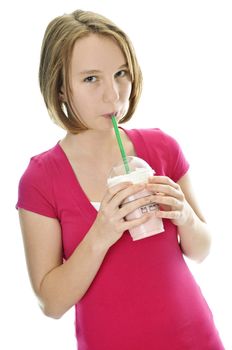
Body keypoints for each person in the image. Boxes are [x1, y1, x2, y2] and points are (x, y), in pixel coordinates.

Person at [16, 9, 224, 350]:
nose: (113, 95)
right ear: (60, 88)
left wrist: (184, 215)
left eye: (120, 73)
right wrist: (102, 232)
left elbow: (201, 250)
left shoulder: (162, 148)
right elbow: (50, 304)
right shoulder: (41, 178)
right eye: (90, 79)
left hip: (195, 337)